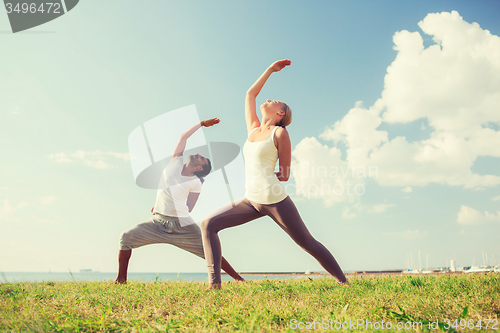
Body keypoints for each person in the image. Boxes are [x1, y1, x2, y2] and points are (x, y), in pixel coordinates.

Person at [201, 60, 349, 289]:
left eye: (274, 101)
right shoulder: (253, 129)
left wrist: (267, 176)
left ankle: (344, 282)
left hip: (275, 200)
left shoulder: (280, 134)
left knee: (307, 243)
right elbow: (250, 94)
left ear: (280, 113)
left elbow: (285, 173)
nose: (267, 99)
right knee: (208, 224)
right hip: (251, 200)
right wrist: (270, 70)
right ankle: (214, 285)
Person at [115, 118, 244, 284]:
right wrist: (201, 124)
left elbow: (189, 207)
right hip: (157, 222)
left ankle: (238, 278)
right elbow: (184, 137)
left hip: (183, 226)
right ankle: (121, 279)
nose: (198, 154)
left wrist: (171, 203)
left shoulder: (195, 183)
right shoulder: (175, 162)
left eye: (201, 159)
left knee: (210, 250)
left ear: (199, 168)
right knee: (125, 238)